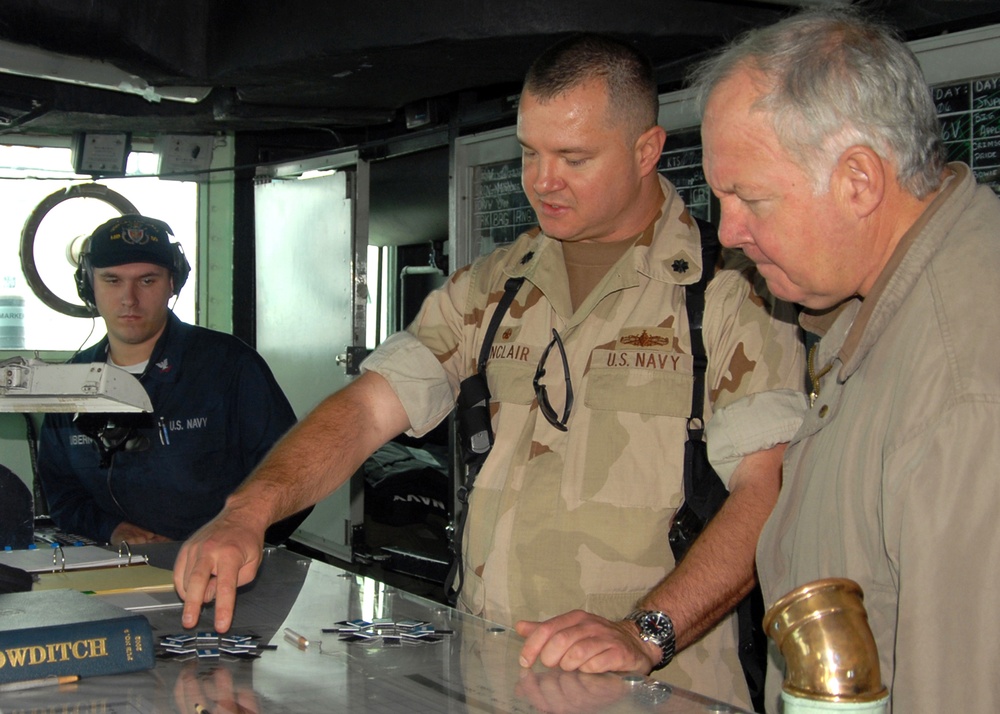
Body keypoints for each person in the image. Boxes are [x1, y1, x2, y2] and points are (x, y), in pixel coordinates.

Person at [174, 34, 805, 708]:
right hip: (494, 679)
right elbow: (366, 410)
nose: (542, 181)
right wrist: (250, 510)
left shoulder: (728, 292)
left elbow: (769, 493)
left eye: (574, 158)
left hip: (655, 687)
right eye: (530, 152)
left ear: (646, 150)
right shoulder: (493, 290)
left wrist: (642, 632)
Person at [693, 8, 1000, 713]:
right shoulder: (874, 311)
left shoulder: (963, 385)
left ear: (859, 180)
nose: (728, 232)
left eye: (750, 198)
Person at [37, 214, 299, 546]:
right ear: (89, 286)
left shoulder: (229, 367)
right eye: (112, 280)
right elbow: (62, 492)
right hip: (114, 570)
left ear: (172, 283)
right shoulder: (73, 383)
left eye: (147, 281)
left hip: (226, 571)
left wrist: (240, 538)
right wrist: (111, 529)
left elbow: (294, 474)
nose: (129, 298)